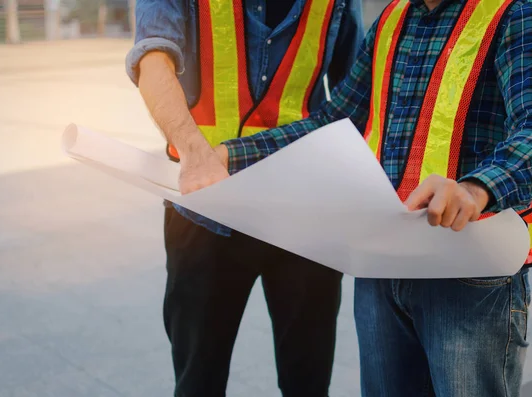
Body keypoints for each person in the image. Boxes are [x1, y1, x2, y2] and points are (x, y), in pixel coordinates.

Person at [203, 0, 532, 396]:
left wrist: (475, 189)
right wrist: (229, 155)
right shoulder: (393, 18)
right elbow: (334, 121)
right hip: (383, 269)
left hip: (469, 276)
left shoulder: (516, 12)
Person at [126, 1, 363, 396]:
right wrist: (195, 152)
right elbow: (152, 59)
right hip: (206, 208)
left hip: (306, 210)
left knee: (308, 379)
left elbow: (357, 86)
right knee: (198, 379)